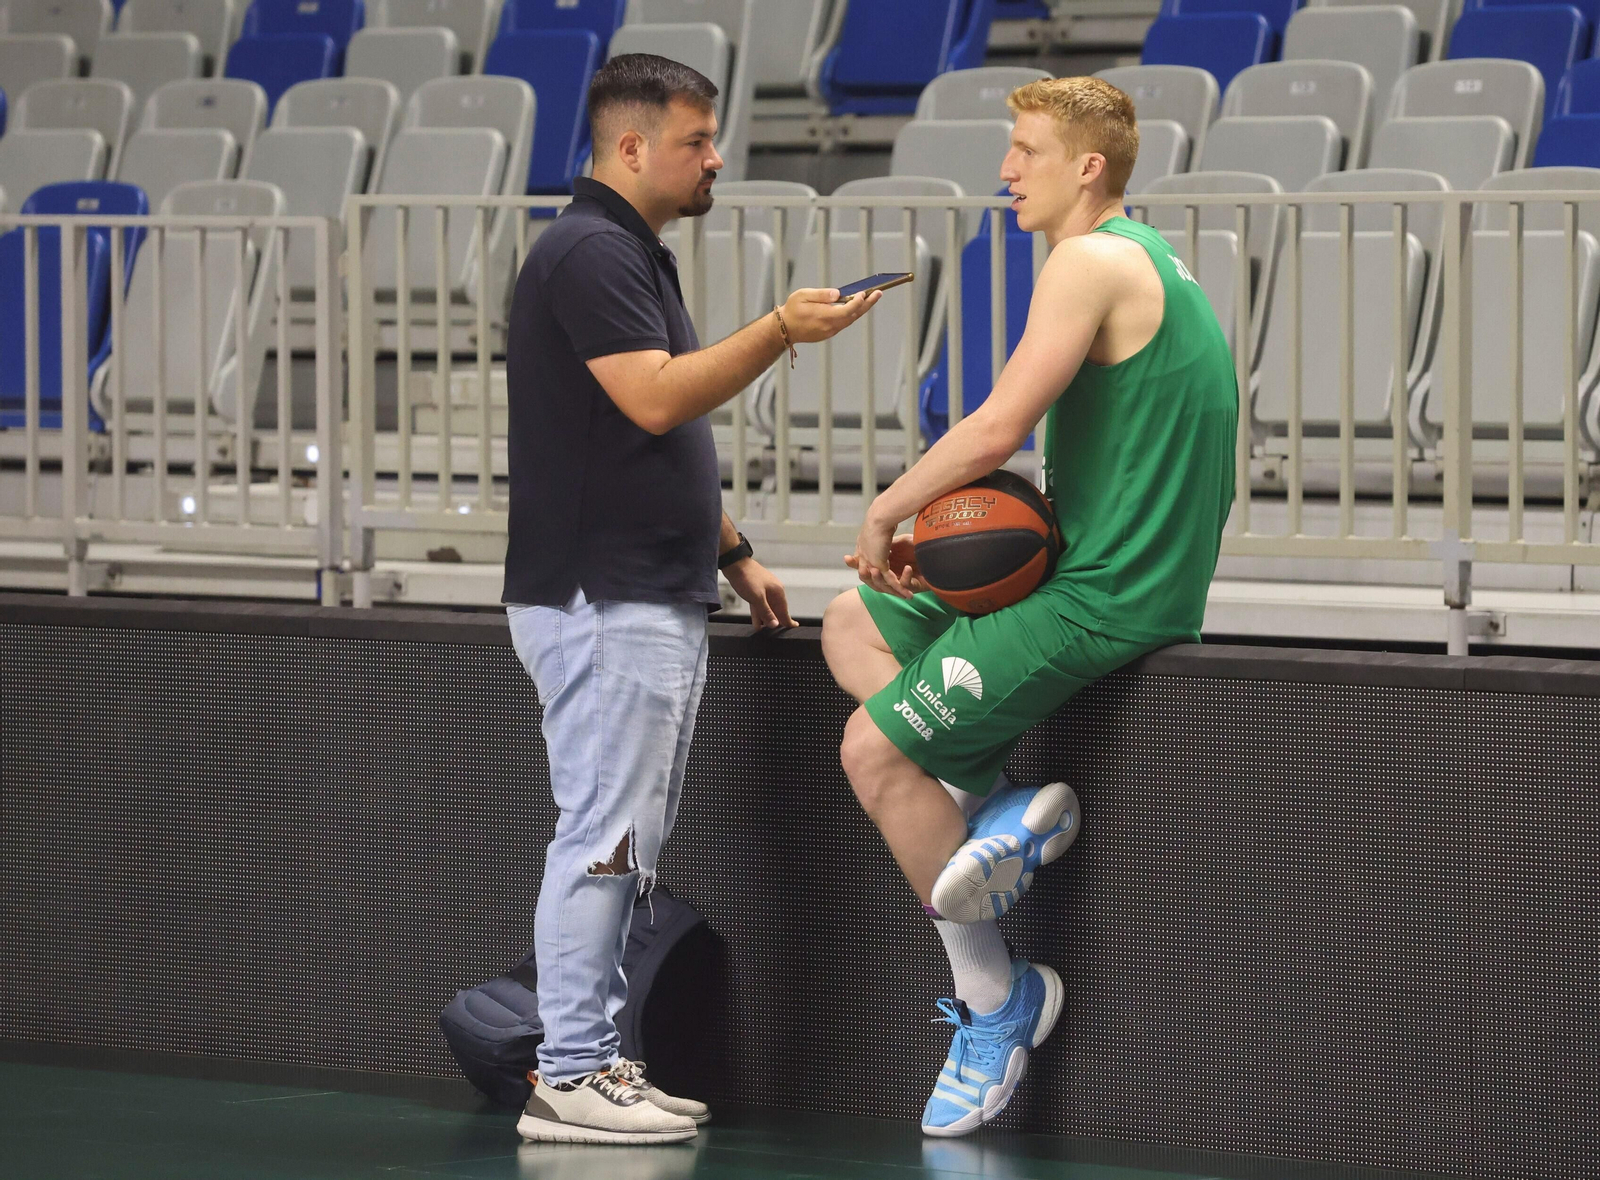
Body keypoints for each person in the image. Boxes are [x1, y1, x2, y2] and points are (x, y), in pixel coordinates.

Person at [819, 77, 1239, 1137]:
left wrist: (886, 510)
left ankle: (997, 1002)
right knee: (852, 622)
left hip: (1111, 595)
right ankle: (982, 799)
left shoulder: (1089, 259)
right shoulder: (1145, 257)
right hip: (1091, 563)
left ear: (1085, 167)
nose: (1005, 169)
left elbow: (999, 427)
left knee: (872, 752)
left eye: (1024, 150)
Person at [503, 54, 880, 1146]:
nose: (715, 158)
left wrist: (734, 552)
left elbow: (628, 437)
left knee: (624, 835)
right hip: (602, 598)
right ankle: (569, 1071)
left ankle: (593, 1061)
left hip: (645, 588)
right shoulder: (587, 251)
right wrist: (778, 331)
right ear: (631, 147)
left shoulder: (624, 251)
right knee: (603, 838)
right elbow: (656, 399)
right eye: (695, 140)